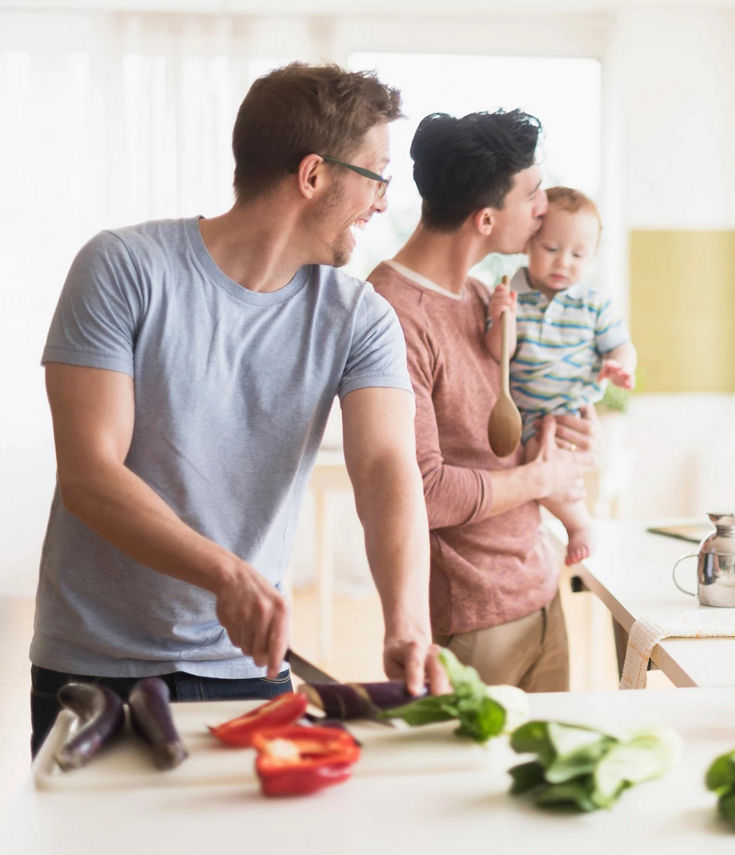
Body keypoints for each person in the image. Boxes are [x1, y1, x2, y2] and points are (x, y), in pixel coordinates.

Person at [30, 62, 448, 756]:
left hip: (247, 665)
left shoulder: (360, 318)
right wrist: (227, 574)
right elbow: (89, 473)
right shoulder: (123, 267)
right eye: (375, 174)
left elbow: (384, 468)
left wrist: (407, 619)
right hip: (95, 662)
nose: (382, 200)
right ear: (313, 175)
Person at [367, 110, 593, 692]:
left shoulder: (481, 296)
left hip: (539, 591)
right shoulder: (390, 313)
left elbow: (494, 440)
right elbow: (425, 492)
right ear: (487, 218)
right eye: (534, 193)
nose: (544, 207)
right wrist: (541, 478)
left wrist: (561, 436)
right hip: (469, 619)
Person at [484, 187, 636, 564]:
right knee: (539, 460)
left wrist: (622, 366)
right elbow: (496, 354)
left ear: (593, 256)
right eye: (551, 249)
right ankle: (577, 521)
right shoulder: (509, 293)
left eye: (578, 254)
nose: (563, 263)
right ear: (528, 243)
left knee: (554, 465)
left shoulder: (594, 305)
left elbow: (621, 345)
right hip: (526, 414)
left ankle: (578, 523)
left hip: (572, 408)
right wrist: (503, 318)